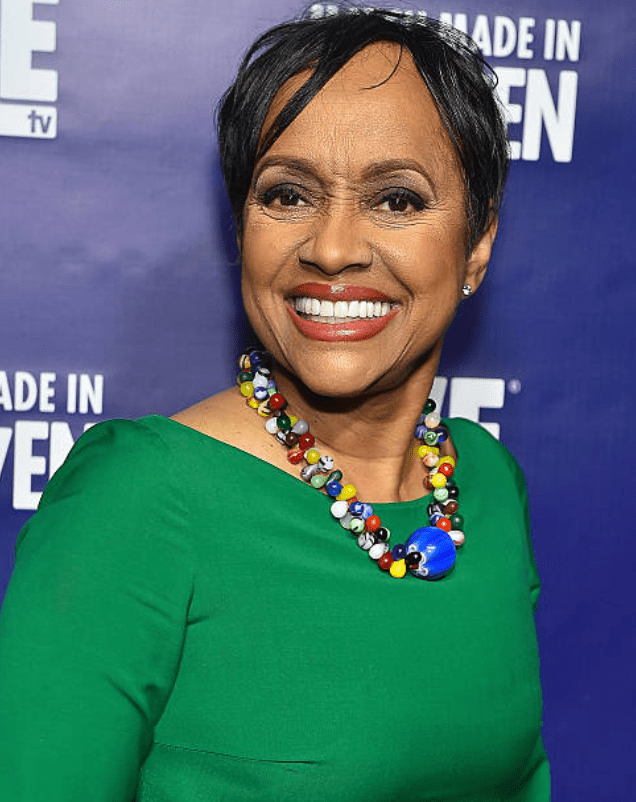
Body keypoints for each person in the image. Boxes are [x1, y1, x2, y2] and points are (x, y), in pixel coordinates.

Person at [0, 6, 550, 801]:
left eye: (397, 200)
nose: (331, 248)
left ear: (478, 243)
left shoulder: (489, 485)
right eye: (287, 195)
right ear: (241, 227)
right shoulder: (141, 497)